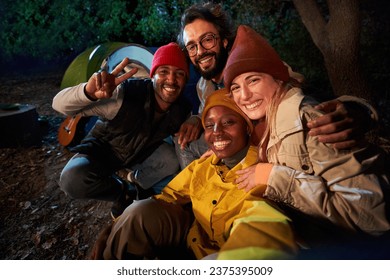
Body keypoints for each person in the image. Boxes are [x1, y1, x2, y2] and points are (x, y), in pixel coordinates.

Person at [223, 25, 390, 256]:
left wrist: (275, 177)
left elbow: (370, 217)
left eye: (253, 81)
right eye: (236, 87)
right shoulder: (269, 120)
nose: (244, 95)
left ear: (279, 79)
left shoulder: (311, 122)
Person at [97, 88, 298, 260]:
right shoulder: (203, 165)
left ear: (246, 126)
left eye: (228, 122)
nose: (217, 131)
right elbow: (168, 197)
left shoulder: (262, 172)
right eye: (209, 125)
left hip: (218, 254)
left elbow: (263, 227)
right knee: (139, 211)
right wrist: (122, 224)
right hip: (190, 239)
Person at [173, 2, 378, 170]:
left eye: (207, 40)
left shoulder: (251, 64)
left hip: (269, 148)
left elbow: (298, 90)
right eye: (192, 46)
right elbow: (212, 110)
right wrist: (196, 117)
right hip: (240, 146)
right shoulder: (203, 85)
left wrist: (355, 110)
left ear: (225, 41)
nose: (200, 51)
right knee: (183, 141)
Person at [52, 42, 192, 218]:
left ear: (186, 79)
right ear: (152, 75)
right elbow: (57, 104)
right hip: (104, 150)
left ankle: (136, 184)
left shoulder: (183, 108)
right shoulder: (125, 94)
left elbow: (195, 118)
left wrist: (196, 120)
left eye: (179, 74)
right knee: (72, 179)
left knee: (171, 159)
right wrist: (88, 92)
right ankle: (123, 192)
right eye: (163, 72)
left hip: (137, 154)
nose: (171, 80)